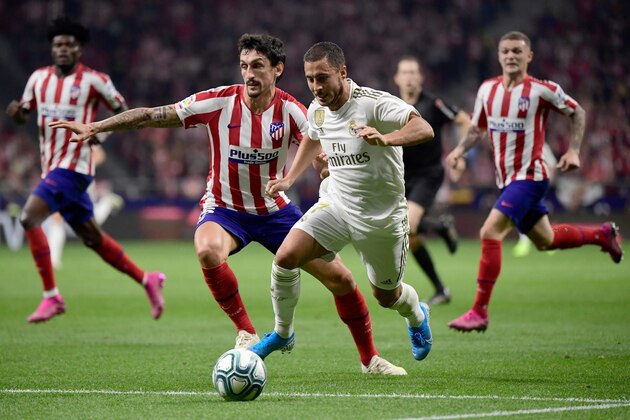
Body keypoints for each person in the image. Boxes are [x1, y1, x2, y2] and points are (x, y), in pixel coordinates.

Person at [50, 34, 406, 375]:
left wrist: (323, 165)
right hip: (225, 210)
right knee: (206, 250)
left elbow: (314, 148)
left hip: (275, 213)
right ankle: (247, 332)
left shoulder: (294, 111)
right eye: (244, 66)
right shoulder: (218, 101)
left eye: (258, 66)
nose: (249, 74)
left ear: (277, 69)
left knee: (342, 280)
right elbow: (151, 115)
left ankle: (370, 358)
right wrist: (97, 126)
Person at [252, 41, 435, 362]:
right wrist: (289, 178)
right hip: (336, 205)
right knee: (285, 257)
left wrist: (386, 138)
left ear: (343, 72)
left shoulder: (375, 104)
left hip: (382, 217)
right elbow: (313, 135)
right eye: (310, 78)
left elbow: (424, 128)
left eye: (322, 78)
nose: (316, 86)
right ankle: (282, 333)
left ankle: (417, 315)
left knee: (386, 295)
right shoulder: (317, 108)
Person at [445, 31, 624, 333]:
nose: (511, 56)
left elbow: (576, 111)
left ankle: (479, 311)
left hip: (531, 175)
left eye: (517, 51)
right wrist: (459, 151)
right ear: (499, 55)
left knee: (489, 231)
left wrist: (574, 150)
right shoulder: (487, 90)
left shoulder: (542, 90)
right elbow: (477, 129)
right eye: (505, 51)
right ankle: (602, 235)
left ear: (529, 56)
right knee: (546, 240)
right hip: (507, 180)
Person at [5, 16, 165, 323]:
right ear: (52, 49)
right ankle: (148, 280)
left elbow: (123, 112)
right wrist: (15, 114)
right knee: (94, 239)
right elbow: (23, 114)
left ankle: (51, 296)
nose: (63, 49)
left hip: (75, 168)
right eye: (58, 44)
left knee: (28, 217)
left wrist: (100, 134)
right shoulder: (38, 79)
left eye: (70, 45)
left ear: (80, 50)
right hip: (51, 167)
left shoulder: (95, 80)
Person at [393, 56, 470, 305]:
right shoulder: (391, 106)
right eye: (405, 72)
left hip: (428, 174)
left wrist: (460, 153)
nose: (410, 76)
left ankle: (439, 226)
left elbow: (464, 120)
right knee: (411, 237)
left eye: (414, 72)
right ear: (397, 78)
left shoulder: (434, 103)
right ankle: (440, 288)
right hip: (401, 176)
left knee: (409, 226)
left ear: (420, 77)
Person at [44, 146, 124, 269]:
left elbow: (100, 155)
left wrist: (85, 163)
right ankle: (53, 260)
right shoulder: (59, 143)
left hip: (81, 187)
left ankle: (106, 202)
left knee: (92, 223)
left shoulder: (81, 135)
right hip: (66, 184)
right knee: (56, 220)